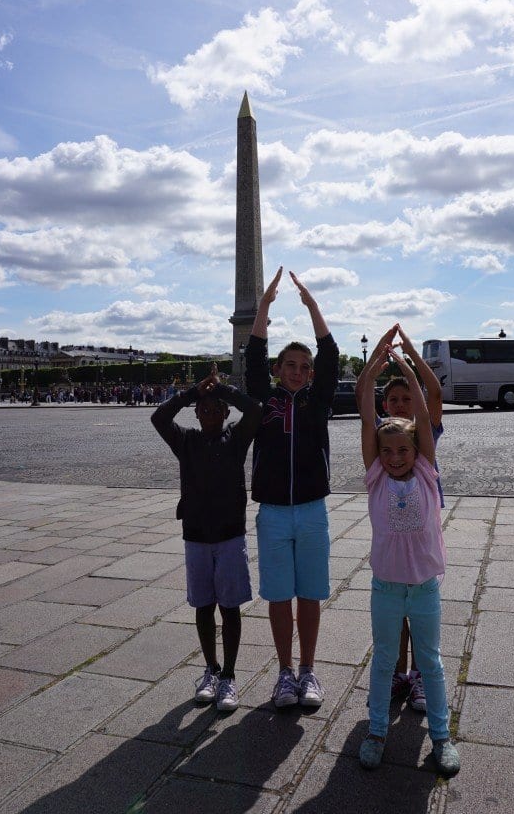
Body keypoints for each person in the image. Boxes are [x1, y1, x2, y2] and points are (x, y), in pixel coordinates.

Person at [358, 341, 460, 776]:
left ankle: (441, 736)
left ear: (417, 451)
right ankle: (377, 730)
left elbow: (422, 411)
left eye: (403, 450)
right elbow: (366, 411)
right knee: (383, 660)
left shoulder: (424, 468)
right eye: (388, 452)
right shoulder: (377, 475)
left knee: (431, 662)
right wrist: (375, 365)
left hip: (423, 588)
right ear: (377, 456)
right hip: (386, 586)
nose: (396, 457)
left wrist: (404, 365)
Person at [245, 266, 339, 709]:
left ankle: (308, 670)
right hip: (275, 513)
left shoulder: (318, 401)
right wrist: (263, 307)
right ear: (278, 370)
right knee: (280, 595)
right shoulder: (265, 398)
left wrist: (312, 306)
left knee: (311, 594)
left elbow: (331, 352)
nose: (299, 372)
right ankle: (284, 672)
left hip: (312, 509)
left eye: (305, 367)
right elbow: (254, 353)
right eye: (291, 366)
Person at [151, 366, 261, 711]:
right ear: (196, 413)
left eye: (216, 411)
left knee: (229, 608)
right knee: (203, 606)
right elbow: (159, 417)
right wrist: (192, 393)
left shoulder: (237, 438)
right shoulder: (186, 441)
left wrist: (223, 389)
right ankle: (210, 670)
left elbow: (255, 410)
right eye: (204, 410)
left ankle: (228, 675)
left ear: (226, 414)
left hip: (229, 535)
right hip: (196, 535)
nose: (210, 415)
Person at [355, 323, 444, 714]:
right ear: (386, 404)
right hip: (392, 551)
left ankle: (421, 675)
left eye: (409, 398)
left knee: (422, 620)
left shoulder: (423, 451)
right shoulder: (380, 447)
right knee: (396, 621)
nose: (402, 404)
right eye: (394, 399)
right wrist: (378, 356)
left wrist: (407, 355)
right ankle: (397, 673)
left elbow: (432, 398)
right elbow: (363, 400)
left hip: (421, 532)